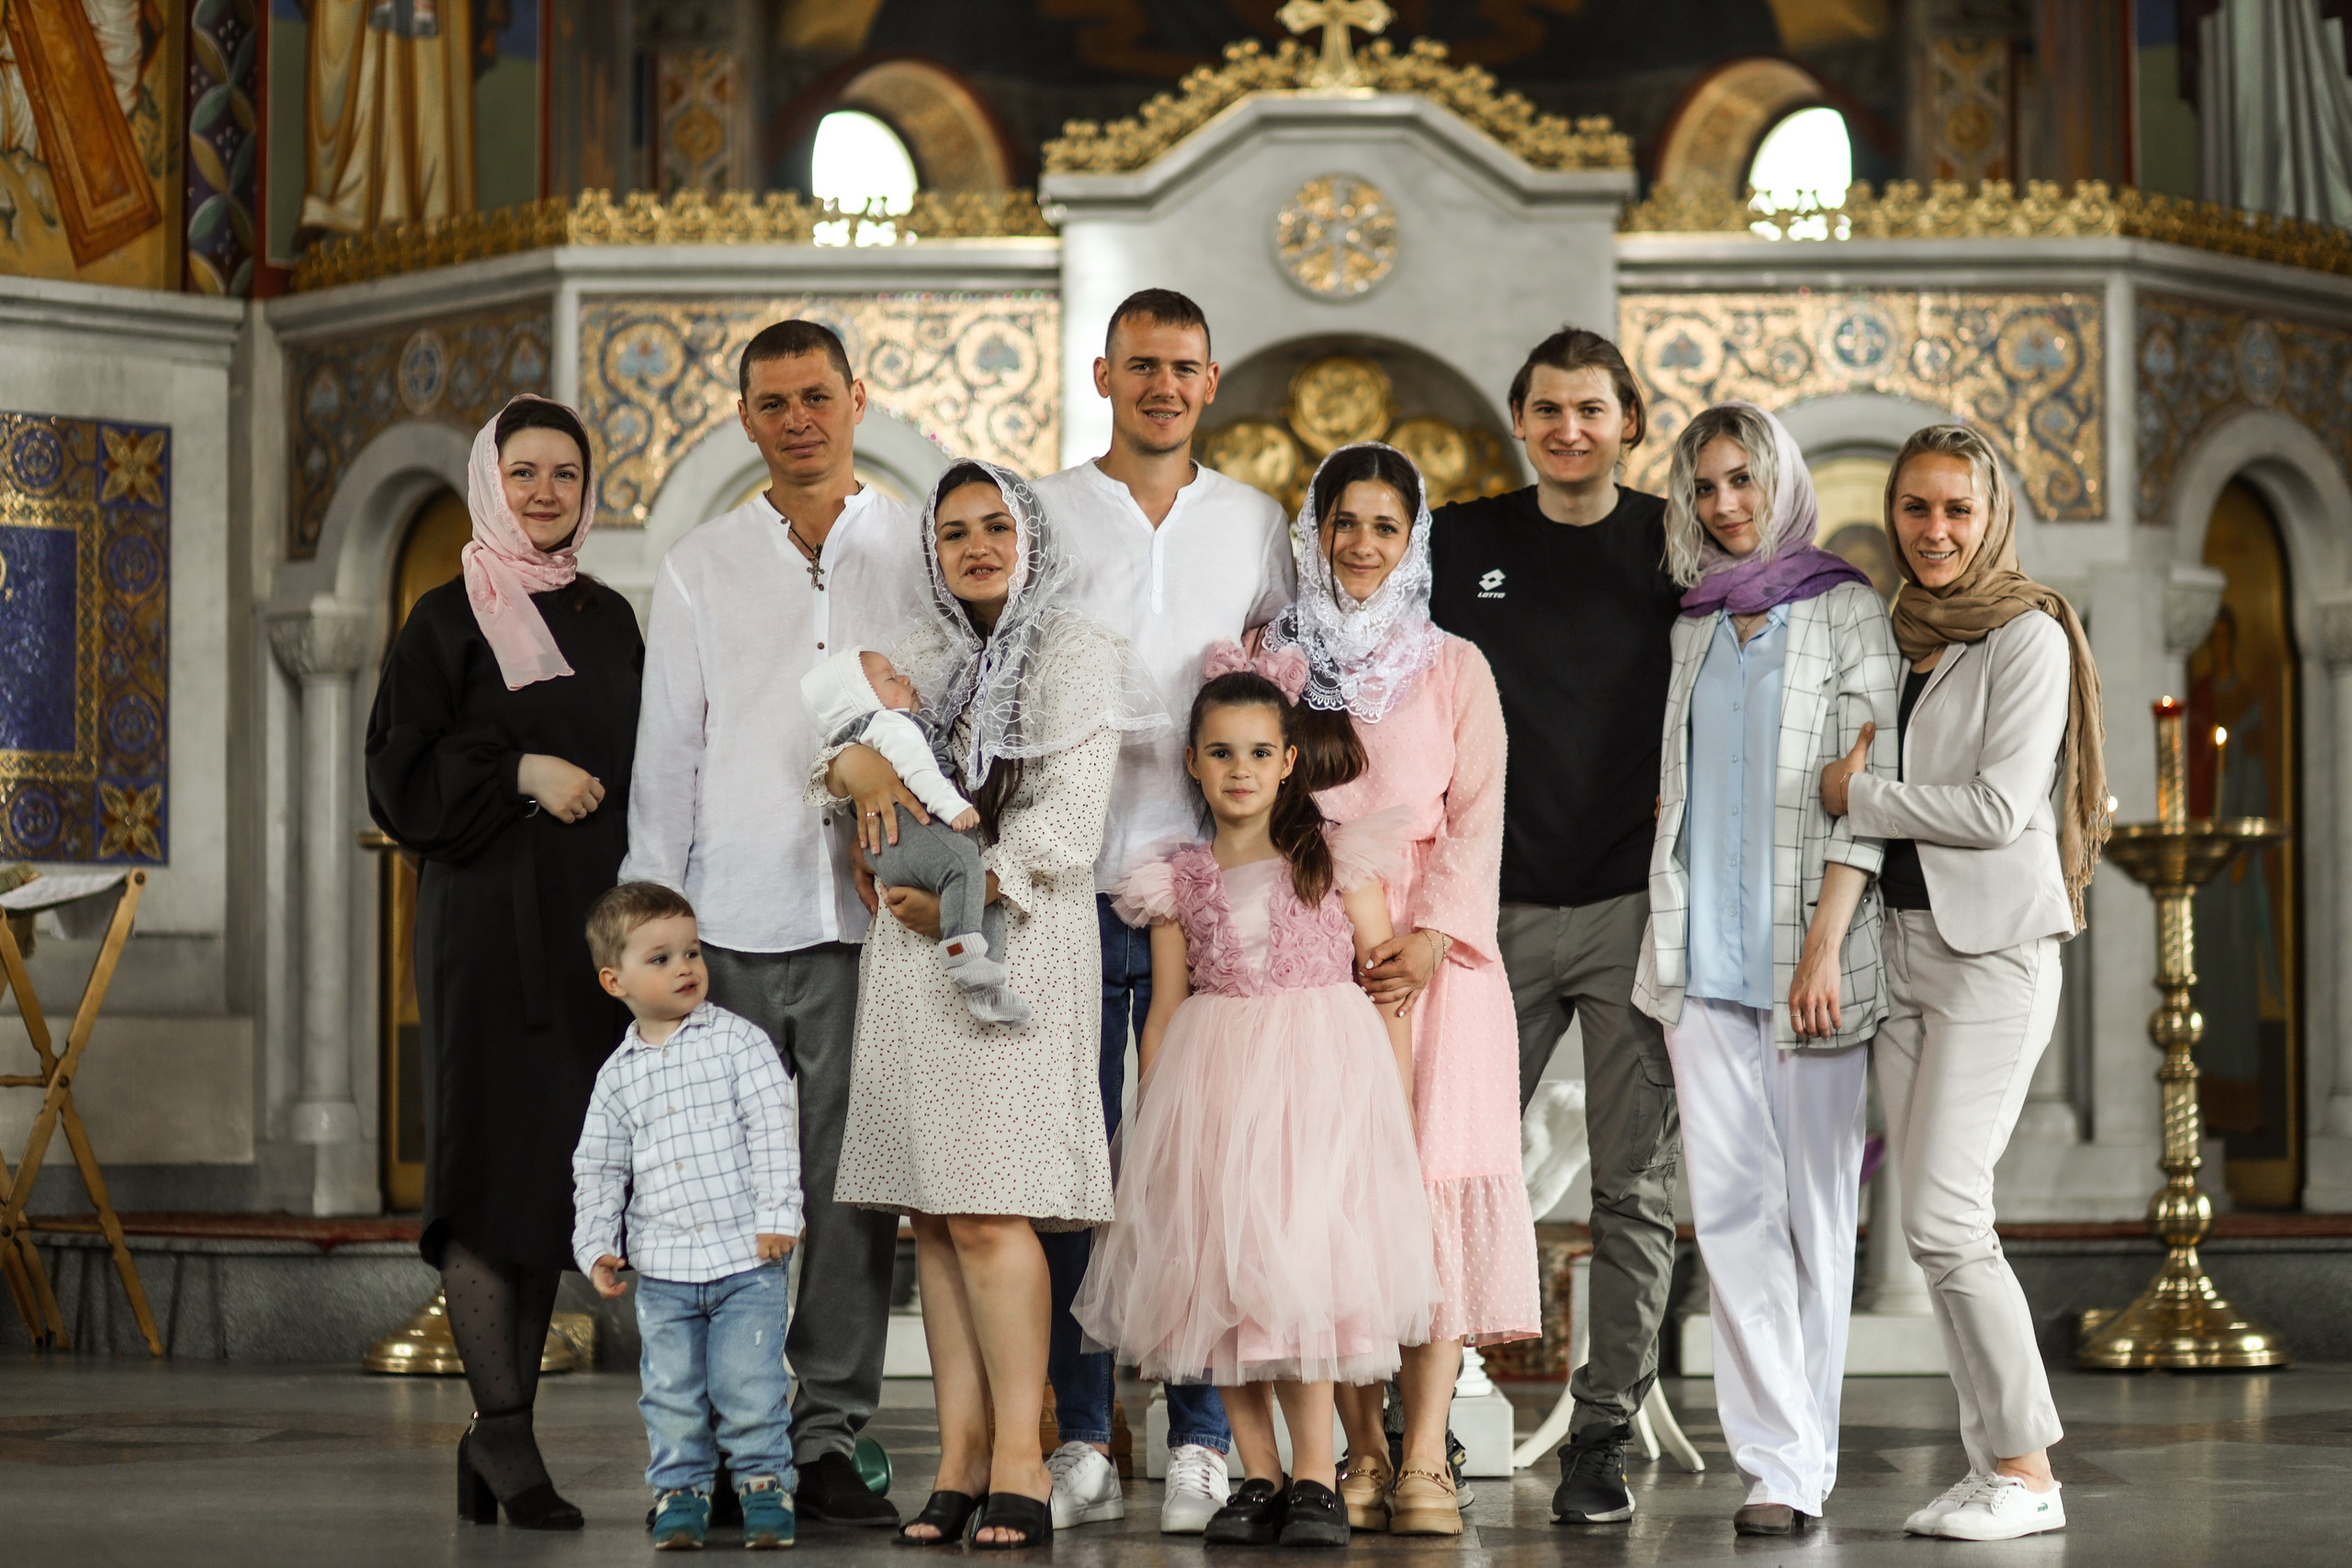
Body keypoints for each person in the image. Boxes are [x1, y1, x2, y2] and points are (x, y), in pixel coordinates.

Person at [814, 460, 1162, 1551]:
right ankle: (957, 1457)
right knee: (933, 1209)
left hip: (1017, 941)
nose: (975, 545)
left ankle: (1022, 1452)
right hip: (911, 956)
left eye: (995, 526)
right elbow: (831, 753)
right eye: (954, 531)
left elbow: (1069, 820)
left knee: (992, 1205)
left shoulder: (1079, 653)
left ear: (1031, 539)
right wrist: (859, 780)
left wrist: (970, 895)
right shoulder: (911, 655)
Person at [623, 319, 927, 1529]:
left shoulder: (917, 545)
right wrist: (658, 935)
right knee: (715, 1187)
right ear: (745, 417)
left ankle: (830, 1430)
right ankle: (711, 1436)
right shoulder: (701, 561)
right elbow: (668, 755)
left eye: (817, 395)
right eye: (773, 402)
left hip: (873, 921)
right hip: (732, 920)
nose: (798, 418)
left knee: (853, 1192)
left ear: (857, 398)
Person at [1073, 651, 1439, 1551]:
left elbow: (1381, 983)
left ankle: (1316, 1474)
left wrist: (1389, 1106)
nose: (1241, 770)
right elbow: (1163, 1010)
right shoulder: (1175, 879)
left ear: (1286, 761)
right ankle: (1260, 1475)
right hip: (1216, 1089)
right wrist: (1160, 1123)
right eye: (1221, 752)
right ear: (1193, 762)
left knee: (1304, 1278)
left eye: (1258, 752)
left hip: (1318, 1089)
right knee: (1226, 1284)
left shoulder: (1336, 857)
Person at [1028, 288, 1293, 1533]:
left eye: (1184, 366)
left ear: (1212, 376)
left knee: (1191, 1171)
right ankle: (1083, 1427)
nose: (1163, 386)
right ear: (1102, 372)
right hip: (1069, 887)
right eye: (1141, 365)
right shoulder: (1046, 510)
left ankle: (1198, 1433)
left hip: (1208, 896)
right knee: (1075, 1169)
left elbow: (1280, 693)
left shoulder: (1251, 520)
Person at [1821, 423, 2106, 1543]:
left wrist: (1863, 795)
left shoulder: (2028, 634)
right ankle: (1995, 1462)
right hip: (1895, 948)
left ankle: (2027, 1473)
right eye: (1914, 509)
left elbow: (1998, 810)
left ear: (1991, 519)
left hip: (1991, 953)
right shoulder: (1890, 631)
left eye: (1956, 510)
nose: (1934, 531)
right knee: (1932, 1223)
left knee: (1942, 1212)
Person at [366, 394, 640, 1532]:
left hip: (592, 935)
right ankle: (510, 1437)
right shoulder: (443, 619)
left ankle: (497, 1440)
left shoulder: (612, 617)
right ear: (490, 481)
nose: (542, 493)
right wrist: (518, 770)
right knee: (489, 1172)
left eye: (563, 475)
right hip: (486, 926)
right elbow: (397, 777)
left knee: (553, 1179)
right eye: (521, 472)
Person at [1427, 326, 1686, 1524]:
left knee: (1633, 1189)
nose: (1570, 428)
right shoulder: (1465, 540)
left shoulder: (1671, 542)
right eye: (1548, 409)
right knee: (1448, 1169)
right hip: (1491, 912)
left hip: (1633, 907)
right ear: (1520, 419)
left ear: (1630, 419)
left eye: (1593, 408)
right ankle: (1412, 1421)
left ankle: (1601, 1430)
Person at [1257, 442, 1537, 1537]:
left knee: (1424, 1199)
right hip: (1310, 945)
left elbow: (1478, 815)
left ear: (1412, 537)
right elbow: (1247, 801)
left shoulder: (1452, 664)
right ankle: (1358, 1448)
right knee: (1328, 1203)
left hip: (1437, 962)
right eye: (1344, 523)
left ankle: (1426, 1454)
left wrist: (1429, 939)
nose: (1362, 545)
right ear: (1314, 532)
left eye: (1384, 525)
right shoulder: (1276, 659)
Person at [1631, 402, 1900, 1535]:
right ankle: (1773, 1465)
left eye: (1742, 479)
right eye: (1705, 487)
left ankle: (1808, 1451)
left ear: (1780, 480)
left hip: (1810, 962)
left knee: (1814, 1215)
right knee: (1730, 1210)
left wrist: (1829, 943)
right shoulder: (1694, 622)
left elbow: (1868, 793)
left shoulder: (1846, 612)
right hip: (1702, 958)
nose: (1725, 504)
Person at [572, 883, 802, 1552]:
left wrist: (779, 1213)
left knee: (749, 1382)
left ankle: (765, 1487)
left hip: (746, 1261)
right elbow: (599, 1166)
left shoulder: (740, 1044)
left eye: (692, 951)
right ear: (615, 980)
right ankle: (680, 1493)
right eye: (662, 957)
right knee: (669, 1390)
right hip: (666, 1269)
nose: (685, 967)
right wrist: (596, 1244)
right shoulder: (617, 1076)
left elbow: (772, 1129)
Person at [798, 647, 1028, 1025]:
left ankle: (987, 985)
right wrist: (954, 809)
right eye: (891, 679)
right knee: (963, 868)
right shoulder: (888, 725)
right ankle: (966, 963)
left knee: (978, 901)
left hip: (893, 844)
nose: (906, 680)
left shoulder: (865, 736)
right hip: (905, 832)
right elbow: (920, 772)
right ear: (859, 701)